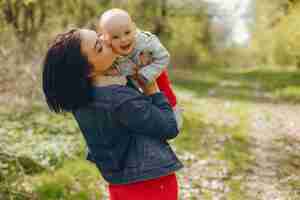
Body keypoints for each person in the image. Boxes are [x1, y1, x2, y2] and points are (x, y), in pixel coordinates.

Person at [42, 28, 183, 200]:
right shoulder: (119, 99)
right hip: (151, 186)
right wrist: (152, 87)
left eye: (100, 37)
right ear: (87, 70)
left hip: (119, 186)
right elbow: (170, 127)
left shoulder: (81, 101)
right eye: (99, 47)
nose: (108, 41)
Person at [98, 8, 183, 129]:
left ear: (133, 27)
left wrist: (146, 73)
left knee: (163, 93)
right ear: (106, 38)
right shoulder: (109, 49)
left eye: (127, 33)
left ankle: (174, 116)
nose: (123, 39)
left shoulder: (146, 42)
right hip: (132, 79)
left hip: (152, 70)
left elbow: (164, 56)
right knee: (144, 107)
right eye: (115, 37)